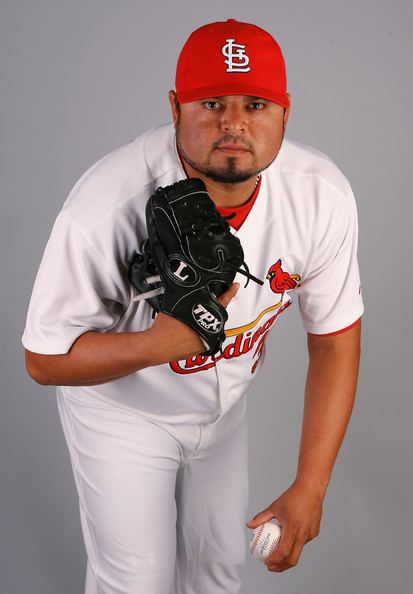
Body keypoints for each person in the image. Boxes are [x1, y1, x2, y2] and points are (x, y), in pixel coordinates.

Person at [23, 18, 363, 594]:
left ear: (286, 112)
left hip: (225, 411)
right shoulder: (106, 204)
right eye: (212, 102)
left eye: (255, 103)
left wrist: (312, 484)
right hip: (123, 414)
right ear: (176, 107)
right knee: (136, 582)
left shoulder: (320, 196)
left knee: (219, 573)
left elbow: (333, 339)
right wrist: (160, 344)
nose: (233, 123)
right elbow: (44, 359)